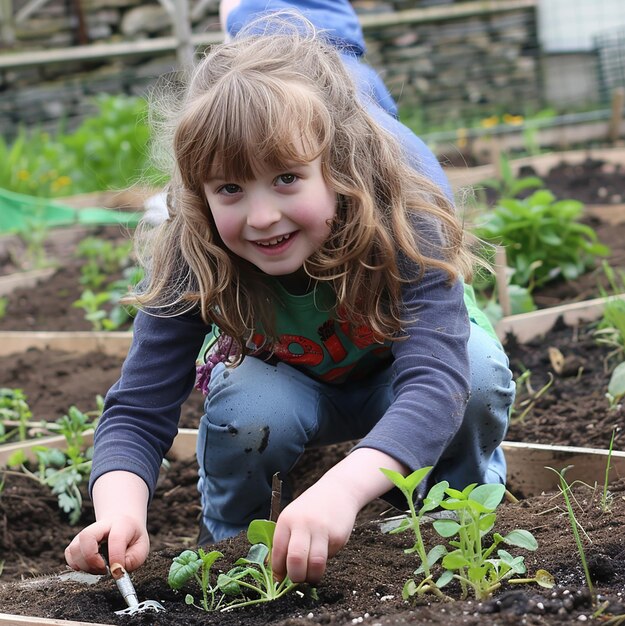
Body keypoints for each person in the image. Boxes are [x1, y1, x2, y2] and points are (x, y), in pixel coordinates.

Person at [65, 0, 515, 586]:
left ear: (340, 167)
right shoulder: (195, 250)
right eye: (229, 188)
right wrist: (118, 512)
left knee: (476, 376)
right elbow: (138, 408)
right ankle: (231, 551)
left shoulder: (403, 223)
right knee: (251, 410)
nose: (261, 216)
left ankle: (459, 523)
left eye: (286, 179)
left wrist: (342, 490)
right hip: (291, 384)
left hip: (401, 380)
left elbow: (436, 382)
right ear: (199, 195)